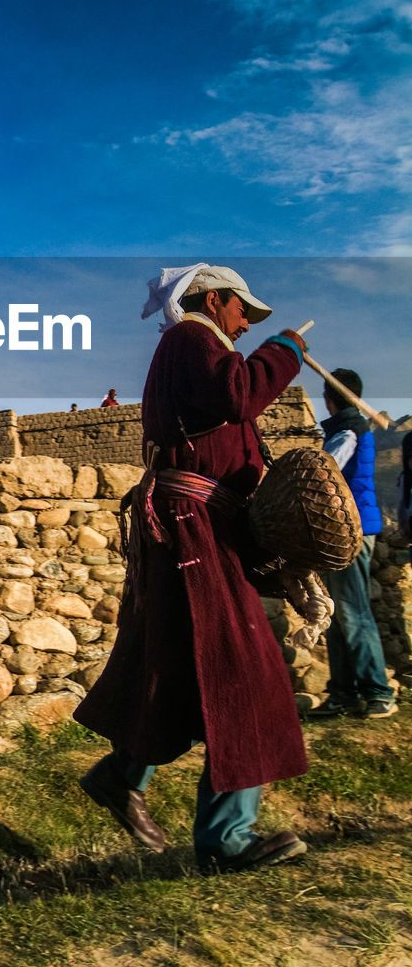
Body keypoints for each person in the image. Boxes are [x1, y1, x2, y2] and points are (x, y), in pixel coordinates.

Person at [74, 263, 310, 872]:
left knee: (178, 663)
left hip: (197, 524)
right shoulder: (193, 339)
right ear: (214, 299)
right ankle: (227, 840)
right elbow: (238, 394)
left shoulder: (199, 352)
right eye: (240, 311)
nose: (244, 322)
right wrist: (283, 350)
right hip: (192, 526)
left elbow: (228, 419)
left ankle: (122, 774)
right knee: (245, 673)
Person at [310, 370, 397, 720]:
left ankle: (378, 691)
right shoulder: (353, 429)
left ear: (330, 399)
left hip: (351, 531)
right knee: (340, 615)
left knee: (352, 613)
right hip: (348, 530)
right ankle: (344, 692)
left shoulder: (347, 433)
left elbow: (323, 472)